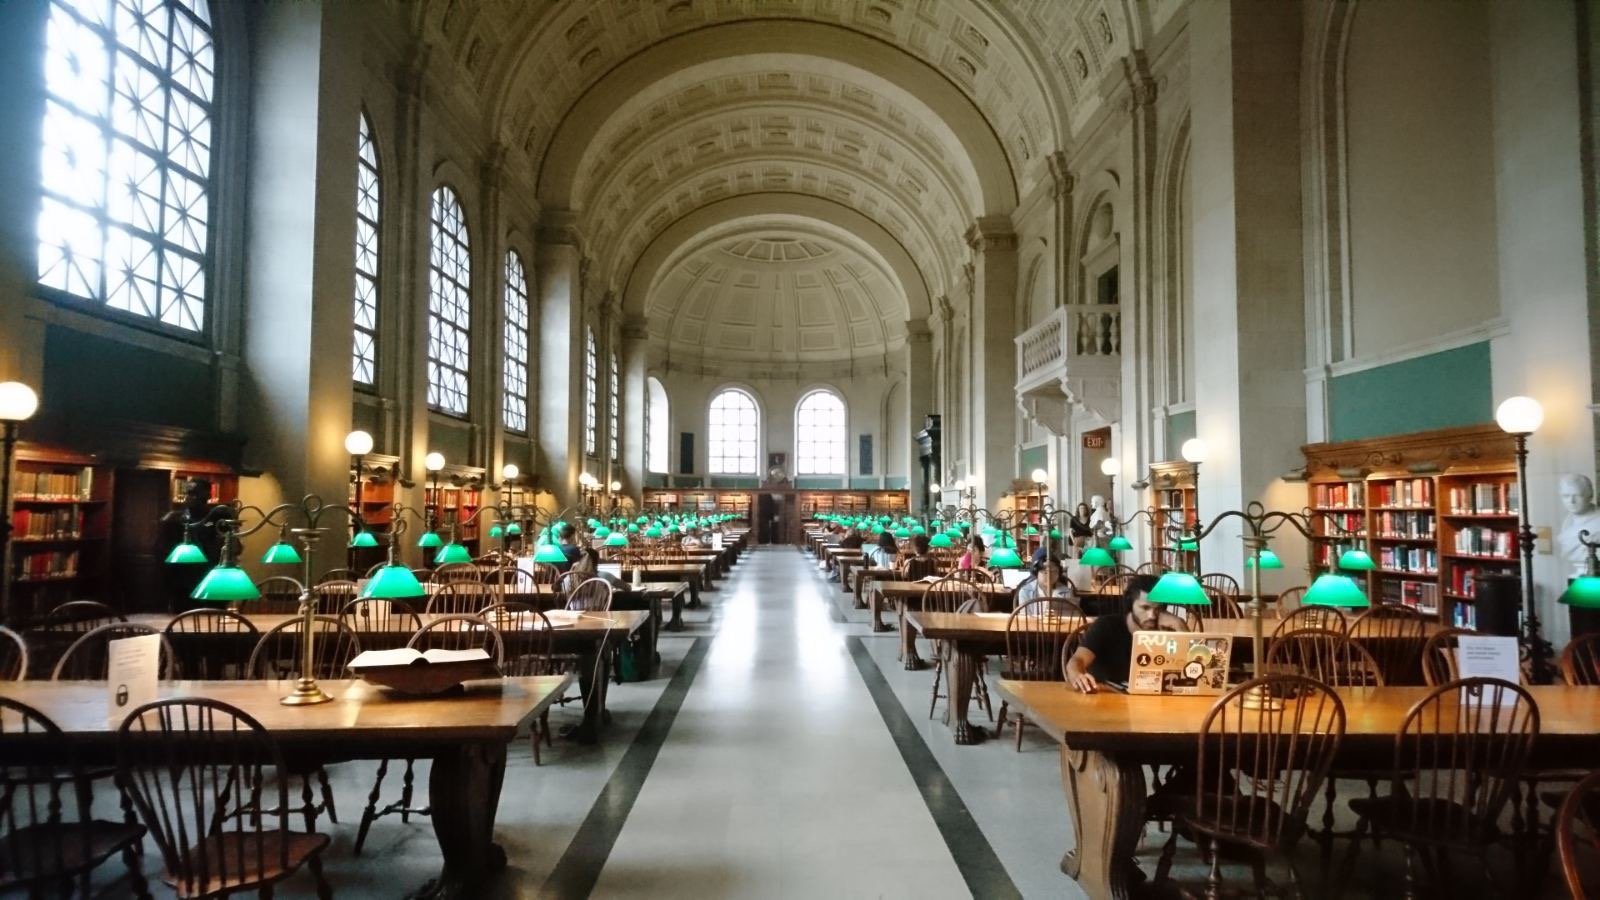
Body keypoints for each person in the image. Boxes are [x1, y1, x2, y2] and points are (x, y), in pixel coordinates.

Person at [1064, 574, 1188, 693]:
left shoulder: (1168, 630)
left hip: (1153, 700)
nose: (1152, 616)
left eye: (1158, 609)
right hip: (1107, 697)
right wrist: (1078, 675)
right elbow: (1078, 659)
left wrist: (1181, 627)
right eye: (1145, 608)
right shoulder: (1106, 626)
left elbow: (1192, 669)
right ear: (1130, 605)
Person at [1558, 473, 1600, 576]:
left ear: (1590, 496)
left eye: (1577, 495)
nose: (1571, 501)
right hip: (1579, 571)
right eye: (1566, 496)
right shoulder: (1567, 522)